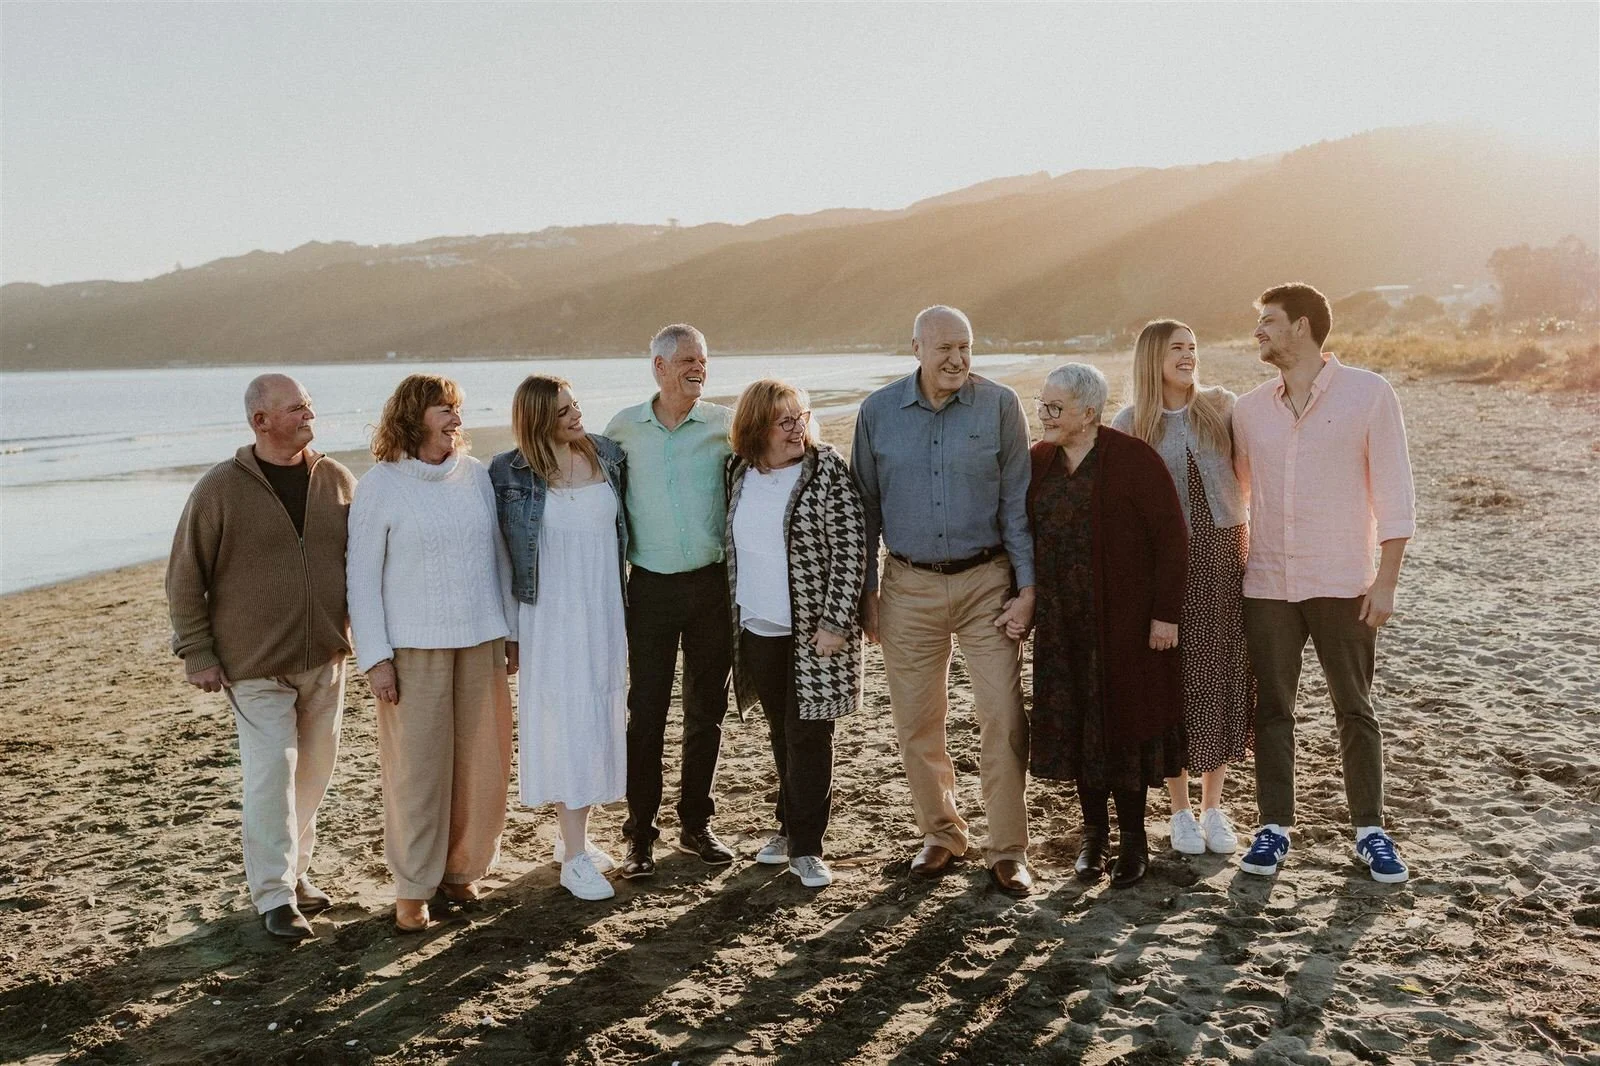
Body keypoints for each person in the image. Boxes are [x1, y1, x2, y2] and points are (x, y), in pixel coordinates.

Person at [851, 305, 1037, 898]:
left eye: (966, 347)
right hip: (907, 585)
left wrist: (1028, 588)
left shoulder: (1001, 405)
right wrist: (868, 593)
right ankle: (941, 833)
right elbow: (866, 512)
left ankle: (1007, 849)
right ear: (916, 350)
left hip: (988, 581)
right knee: (917, 721)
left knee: (1003, 716)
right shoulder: (877, 412)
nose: (957, 359)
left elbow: (1017, 503)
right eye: (945, 349)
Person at [1234, 283, 1416, 884]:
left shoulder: (1369, 394)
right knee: (1272, 709)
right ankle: (1273, 829)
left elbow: (1395, 494)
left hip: (1342, 579)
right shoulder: (1249, 408)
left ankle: (1370, 831)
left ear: (1303, 326)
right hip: (1267, 583)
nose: (1258, 331)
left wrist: (1385, 582)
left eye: (1268, 321)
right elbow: (1232, 493)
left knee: (1355, 708)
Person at [166, 374, 356, 941]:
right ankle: (273, 896)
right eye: (296, 408)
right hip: (254, 665)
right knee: (273, 774)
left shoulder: (338, 480)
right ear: (261, 421)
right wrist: (197, 650)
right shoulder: (220, 489)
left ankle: (296, 877)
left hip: (325, 656)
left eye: (309, 405)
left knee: (315, 776)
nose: (309, 415)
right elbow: (183, 576)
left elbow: (365, 565)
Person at [347, 374, 517, 931]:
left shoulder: (475, 477)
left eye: (458, 408)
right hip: (412, 649)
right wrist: (375, 658)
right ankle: (412, 888)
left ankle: (460, 873)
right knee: (418, 774)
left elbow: (498, 557)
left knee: (481, 766)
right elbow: (361, 580)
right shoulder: (381, 486)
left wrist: (510, 630)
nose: (456, 418)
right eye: (445, 408)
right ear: (414, 416)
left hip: (481, 639)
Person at [1028, 362, 1188, 889]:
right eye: (1043, 405)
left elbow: (1171, 538)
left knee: (1123, 729)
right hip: (1062, 625)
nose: (1045, 415)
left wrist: (1166, 614)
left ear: (1088, 413)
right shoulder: (1039, 462)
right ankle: (1093, 836)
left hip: (1125, 625)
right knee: (1078, 727)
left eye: (1055, 407)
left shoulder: (1132, 459)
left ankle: (1134, 842)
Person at [1112, 321, 1253, 859]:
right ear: (1153, 358)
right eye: (1178, 348)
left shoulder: (1221, 406)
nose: (1189, 356)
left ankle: (1215, 806)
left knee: (1219, 672)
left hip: (1223, 556)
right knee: (1171, 680)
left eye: (1194, 347)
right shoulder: (1132, 423)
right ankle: (1179, 810)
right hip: (1164, 568)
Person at [603, 324, 737, 878]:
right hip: (650, 587)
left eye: (703, 360)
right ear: (658, 366)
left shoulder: (725, 427)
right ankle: (639, 836)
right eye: (686, 360)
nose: (698, 368)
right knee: (647, 714)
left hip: (712, 585)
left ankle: (695, 824)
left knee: (708, 711)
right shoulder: (623, 429)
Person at [724, 379, 868, 889]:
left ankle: (807, 847)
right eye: (785, 421)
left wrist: (835, 623)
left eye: (802, 417)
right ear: (756, 427)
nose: (797, 430)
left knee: (809, 735)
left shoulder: (825, 469)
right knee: (780, 732)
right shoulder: (738, 471)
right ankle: (787, 828)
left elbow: (852, 549)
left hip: (814, 633)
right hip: (759, 625)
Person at [490, 375, 628, 902]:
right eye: (563, 412)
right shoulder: (507, 472)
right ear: (537, 419)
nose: (577, 417)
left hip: (603, 610)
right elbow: (500, 557)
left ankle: (580, 840)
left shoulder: (609, 456)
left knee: (596, 717)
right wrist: (509, 631)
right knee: (566, 720)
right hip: (550, 615)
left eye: (577, 406)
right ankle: (573, 857)